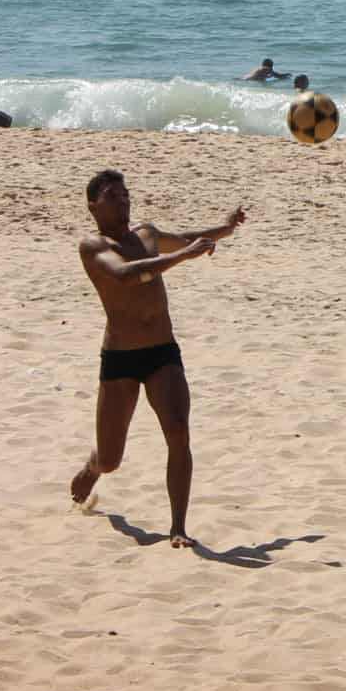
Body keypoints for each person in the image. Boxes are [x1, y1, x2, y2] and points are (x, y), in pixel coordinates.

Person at [68, 170, 245, 548]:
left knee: (179, 431)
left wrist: (225, 229)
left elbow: (186, 239)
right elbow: (128, 275)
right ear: (93, 206)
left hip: (162, 352)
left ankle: (178, 527)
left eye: (126, 195)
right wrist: (184, 255)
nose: (123, 202)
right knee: (112, 458)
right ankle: (94, 465)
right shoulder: (93, 246)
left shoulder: (147, 234)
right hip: (120, 359)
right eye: (113, 197)